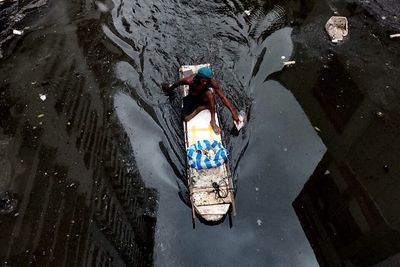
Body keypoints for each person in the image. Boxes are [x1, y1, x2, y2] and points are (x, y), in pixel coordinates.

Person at [162, 67, 240, 134]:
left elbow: (223, 97)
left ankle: (212, 121)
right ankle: (202, 108)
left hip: (205, 98)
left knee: (209, 94)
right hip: (193, 98)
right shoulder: (190, 80)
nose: (205, 83)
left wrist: (233, 112)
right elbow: (178, 83)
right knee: (185, 118)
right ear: (198, 78)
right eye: (203, 80)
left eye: (207, 81)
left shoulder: (212, 83)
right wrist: (169, 88)